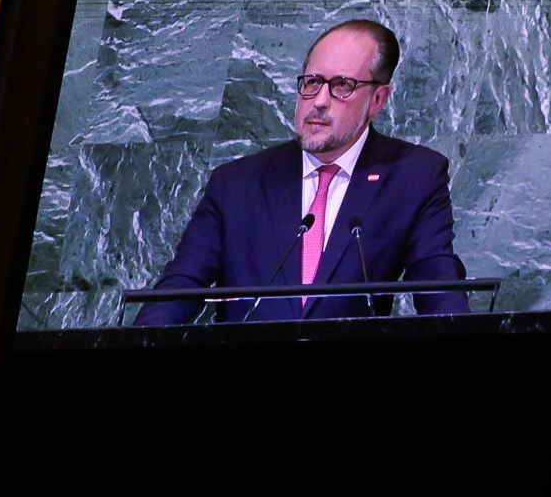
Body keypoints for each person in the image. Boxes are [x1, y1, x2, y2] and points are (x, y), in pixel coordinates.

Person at [134, 19, 468, 326]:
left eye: (342, 86)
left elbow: (439, 288)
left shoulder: (413, 177)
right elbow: (179, 289)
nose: (319, 101)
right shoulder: (236, 184)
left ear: (378, 99)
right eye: (311, 82)